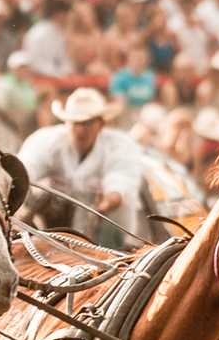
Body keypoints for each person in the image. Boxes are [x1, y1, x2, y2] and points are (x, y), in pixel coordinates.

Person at [16, 87, 145, 249]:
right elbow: (26, 167)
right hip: (56, 223)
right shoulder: (46, 141)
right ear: (66, 122)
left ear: (101, 124)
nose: (80, 130)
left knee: (113, 231)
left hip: (106, 223)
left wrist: (108, 202)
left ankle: (118, 254)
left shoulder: (121, 145)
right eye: (75, 123)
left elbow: (121, 181)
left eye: (88, 123)